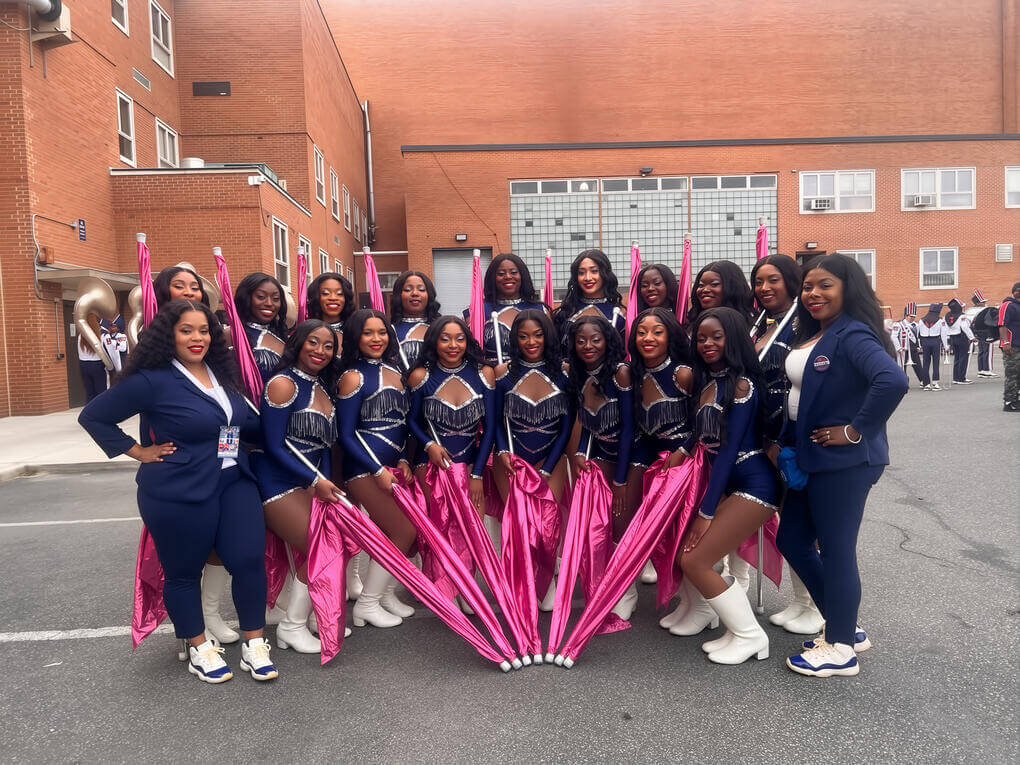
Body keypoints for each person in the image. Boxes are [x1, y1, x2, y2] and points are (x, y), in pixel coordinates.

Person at [78, 300, 277, 683]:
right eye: (186, 330)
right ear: (169, 334)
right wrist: (138, 451)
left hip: (233, 481)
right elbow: (94, 416)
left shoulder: (221, 373)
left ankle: (254, 644)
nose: (197, 338)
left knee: (248, 560)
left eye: (204, 330)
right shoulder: (153, 380)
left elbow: (233, 425)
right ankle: (199, 647)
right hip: (177, 489)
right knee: (183, 573)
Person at [776, 253, 908, 677]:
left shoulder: (853, 334)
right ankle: (844, 626)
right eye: (808, 286)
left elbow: (893, 380)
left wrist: (854, 431)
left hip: (846, 462)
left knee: (835, 550)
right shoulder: (824, 332)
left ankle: (839, 649)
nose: (813, 293)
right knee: (792, 540)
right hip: (813, 459)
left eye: (825, 285)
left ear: (848, 288)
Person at [676, 307, 780, 665]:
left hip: (755, 486)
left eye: (716, 337)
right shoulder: (708, 381)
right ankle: (738, 631)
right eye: (701, 337)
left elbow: (729, 449)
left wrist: (705, 512)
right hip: (730, 484)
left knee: (695, 559)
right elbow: (702, 439)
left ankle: (752, 636)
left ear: (732, 338)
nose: (706, 343)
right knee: (692, 557)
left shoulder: (741, 385)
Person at [254, 320, 345, 655]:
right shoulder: (282, 384)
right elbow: (274, 446)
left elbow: (322, 446)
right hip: (275, 481)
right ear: (297, 343)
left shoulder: (322, 387)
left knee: (331, 543)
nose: (320, 351)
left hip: (309, 480)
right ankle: (291, 627)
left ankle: (304, 618)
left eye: (328, 346)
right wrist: (314, 481)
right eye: (313, 343)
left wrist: (326, 483)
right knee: (323, 546)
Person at [750, 255, 824, 635]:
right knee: (788, 522)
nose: (764, 288)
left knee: (803, 524)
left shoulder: (803, 323)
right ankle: (801, 600)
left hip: (791, 435)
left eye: (773, 280)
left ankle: (815, 604)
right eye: (759, 281)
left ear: (792, 281)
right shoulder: (761, 322)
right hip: (764, 435)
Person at [336, 309, 416, 628]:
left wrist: (404, 459)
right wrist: (375, 468)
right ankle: (367, 604)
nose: (376, 339)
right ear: (356, 337)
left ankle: (382, 593)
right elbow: (345, 433)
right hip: (362, 470)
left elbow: (405, 425)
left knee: (387, 532)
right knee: (403, 531)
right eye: (368, 333)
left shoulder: (396, 371)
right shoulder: (352, 377)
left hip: (392, 467)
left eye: (381, 332)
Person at [494, 309, 572, 609]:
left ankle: (548, 579)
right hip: (511, 463)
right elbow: (497, 422)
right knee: (520, 527)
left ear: (547, 336)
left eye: (537, 335)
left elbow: (566, 428)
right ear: (515, 338)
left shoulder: (563, 374)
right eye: (523, 336)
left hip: (550, 462)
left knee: (547, 529)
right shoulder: (502, 375)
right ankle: (523, 583)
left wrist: (549, 467)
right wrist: (503, 454)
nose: (531, 341)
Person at [625, 308, 696, 631]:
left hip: (687, 463)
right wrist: (631, 470)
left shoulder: (683, 374)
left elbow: (706, 420)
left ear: (670, 336)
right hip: (654, 463)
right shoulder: (634, 375)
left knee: (685, 536)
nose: (648, 338)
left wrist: (682, 452)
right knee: (661, 535)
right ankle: (688, 600)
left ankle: (702, 604)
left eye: (657, 332)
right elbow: (639, 429)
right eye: (641, 332)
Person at [565, 315, 638, 618]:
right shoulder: (578, 375)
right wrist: (582, 451)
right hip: (601, 456)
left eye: (595, 339)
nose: (588, 346)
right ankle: (609, 585)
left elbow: (630, 429)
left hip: (630, 458)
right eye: (581, 340)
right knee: (602, 525)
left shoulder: (621, 374)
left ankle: (628, 592)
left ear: (608, 339)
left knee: (622, 525)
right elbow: (588, 426)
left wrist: (621, 479)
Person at [408, 317, 496, 515]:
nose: (453, 346)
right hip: (430, 466)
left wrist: (477, 475)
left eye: (460, 339)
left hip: (471, 464)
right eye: (445, 339)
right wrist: (429, 445)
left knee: (474, 535)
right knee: (438, 536)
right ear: (434, 341)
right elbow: (412, 421)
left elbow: (489, 428)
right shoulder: (421, 376)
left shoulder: (484, 374)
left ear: (468, 342)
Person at [475, 253, 548, 365]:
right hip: (492, 376)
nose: (508, 276)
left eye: (514, 272)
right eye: (501, 273)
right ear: (492, 278)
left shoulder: (540, 310)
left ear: (522, 275)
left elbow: (551, 349)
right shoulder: (478, 311)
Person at [553, 250, 625, 345]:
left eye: (594, 271)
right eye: (581, 273)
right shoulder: (566, 312)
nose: (587, 278)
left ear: (605, 274)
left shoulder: (618, 314)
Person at [234, 272, 289, 383]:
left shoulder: (284, 339)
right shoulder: (230, 334)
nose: (269, 303)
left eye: (275, 298)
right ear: (246, 298)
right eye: (261, 297)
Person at [389, 270, 441, 370]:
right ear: (398, 295)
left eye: (421, 289)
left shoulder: (441, 328)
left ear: (429, 295)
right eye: (407, 290)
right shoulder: (388, 331)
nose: (415, 293)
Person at [687, 260, 756, 327]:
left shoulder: (753, 327)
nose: (705, 290)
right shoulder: (691, 325)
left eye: (714, 284)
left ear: (733, 287)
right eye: (701, 285)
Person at [306, 272, 355, 341]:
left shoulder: (356, 331)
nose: (333, 298)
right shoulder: (305, 332)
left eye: (339, 294)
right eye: (325, 293)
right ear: (316, 297)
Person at [889, 303, 928, 389]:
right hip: (903, 349)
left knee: (918, 365)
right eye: (911, 316)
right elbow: (893, 336)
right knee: (902, 366)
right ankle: (903, 382)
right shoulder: (898, 324)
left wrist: (918, 346)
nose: (913, 318)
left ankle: (923, 381)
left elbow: (917, 337)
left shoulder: (916, 325)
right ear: (906, 316)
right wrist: (898, 347)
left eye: (914, 316)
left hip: (913, 349)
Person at [916, 302, 948, 390]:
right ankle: (935, 383)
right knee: (935, 362)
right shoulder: (940, 321)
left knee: (925, 363)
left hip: (925, 342)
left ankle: (926, 384)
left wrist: (918, 345)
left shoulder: (921, 320)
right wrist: (946, 346)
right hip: (935, 341)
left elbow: (918, 334)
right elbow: (943, 334)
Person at [999, 282, 1020, 412]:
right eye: (1018, 290)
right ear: (1013, 292)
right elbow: (1002, 324)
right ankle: (1009, 402)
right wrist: (1005, 342)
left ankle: (1016, 399)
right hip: (1011, 346)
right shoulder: (1008, 305)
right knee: (1012, 374)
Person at [944, 298, 976, 384]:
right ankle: (961, 378)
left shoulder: (947, 316)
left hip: (952, 338)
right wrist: (972, 337)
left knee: (957, 358)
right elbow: (965, 327)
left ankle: (955, 378)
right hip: (961, 338)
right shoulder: (962, 316)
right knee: (963, 358)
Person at [970, 289, 998, 378]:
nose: (984, 303)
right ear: (978, 303)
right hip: (986, 332)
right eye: (983, 301)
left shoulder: (971, 310)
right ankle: (987, 370)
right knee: (988, 351)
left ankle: (981, 370)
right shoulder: (984, 309)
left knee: (981, 351)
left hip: (978, 333)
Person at [77, 334, 108, 402]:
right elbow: (106, 351)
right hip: (97, 364)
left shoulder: (81, 335)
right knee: (101, 391)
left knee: (89, 392)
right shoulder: (100, 335)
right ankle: (102, 410)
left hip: (83, 364)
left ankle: (90, 410)